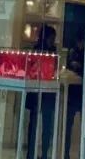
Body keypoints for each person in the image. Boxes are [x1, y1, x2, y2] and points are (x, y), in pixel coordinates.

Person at [26, 25, 57, 159]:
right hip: (40, 90)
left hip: (45, 91)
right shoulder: (40, 50)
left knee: (45, 124)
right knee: (37, 123)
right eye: (51, 38)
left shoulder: (48, 50)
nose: (53, 40)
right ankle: (32, 153)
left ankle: (42, 153)